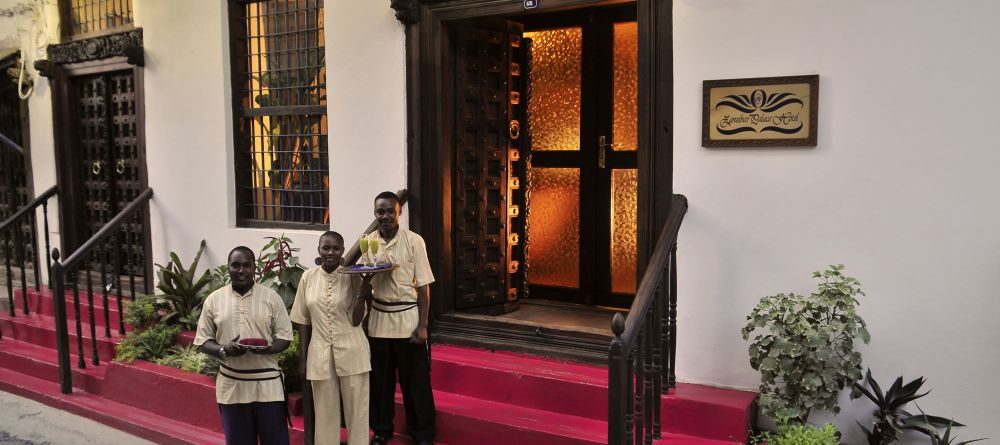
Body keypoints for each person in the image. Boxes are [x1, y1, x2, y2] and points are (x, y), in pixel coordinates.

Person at [194, 246, 294, 445]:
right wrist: (223, 350)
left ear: (254, 268)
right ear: (228, 267)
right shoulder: (214, 299)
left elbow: (285, 337)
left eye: (246, 265)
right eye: (236, 265)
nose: (241, 270)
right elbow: (202, 341)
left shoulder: (271, 297)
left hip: (268, 385)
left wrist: (269, 349)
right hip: (232, 386)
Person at [365, 191, 436, 445]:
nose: (385, 216)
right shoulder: (369, 242)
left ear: (399, 212)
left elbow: (424, 285)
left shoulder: (414, 241)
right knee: (380, 385)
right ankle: (382, 431)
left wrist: (423, 325)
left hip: (408, 320)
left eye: (389, 211)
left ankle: (423, 434)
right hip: (379, 320)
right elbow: (365, 281)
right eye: (380, 211)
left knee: (415, 384)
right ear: (375, 214)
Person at [290, 231, 372, 445]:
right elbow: (302, 321)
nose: (330, 252)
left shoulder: (354, 276)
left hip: (353, 351)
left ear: (343, 251)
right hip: (319, 355)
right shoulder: (308, 277)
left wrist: (363, 291)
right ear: (318, 250)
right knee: (324, 415)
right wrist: (302, 360)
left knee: (358, 413)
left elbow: (356, 321)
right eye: (326, 247)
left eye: (336, 248)